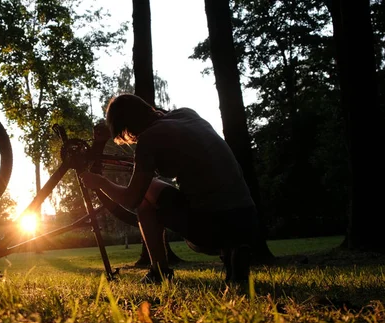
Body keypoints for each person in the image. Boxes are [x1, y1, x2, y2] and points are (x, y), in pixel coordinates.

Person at [80, 94, 257, 284]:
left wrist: (100, 183)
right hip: (249, 221)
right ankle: (233, 253)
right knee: (207, 200)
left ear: (128, 126)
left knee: (145, 197)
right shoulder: (187, 114)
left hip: (210, 228)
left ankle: (159, 271)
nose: (131, 140)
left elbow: (132, 199)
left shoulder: (149, 138)